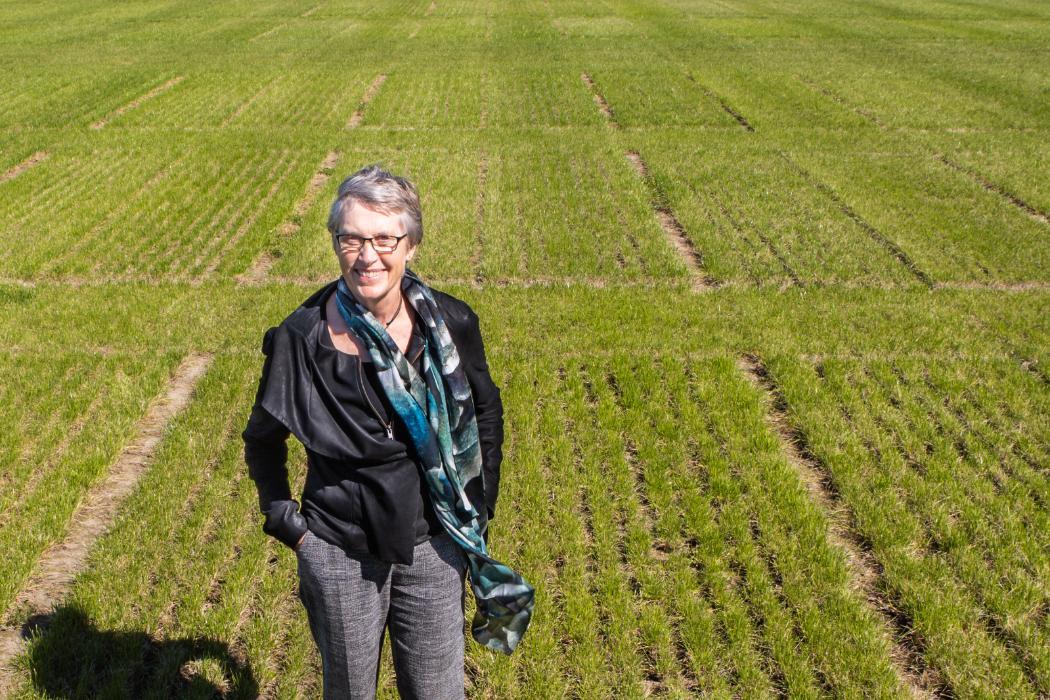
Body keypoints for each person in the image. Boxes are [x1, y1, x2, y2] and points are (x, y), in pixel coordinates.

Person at [242, 165, 533, 699]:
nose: (367, 255)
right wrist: (291, 527)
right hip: (339, 548)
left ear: (411, 245)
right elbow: (262, 438)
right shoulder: (300, 338)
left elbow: (486, 414)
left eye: (383, 238)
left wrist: (478, 503)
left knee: (437, 691)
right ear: (335, 244)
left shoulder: (450, 325)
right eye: (351, 238)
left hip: (435, 545)